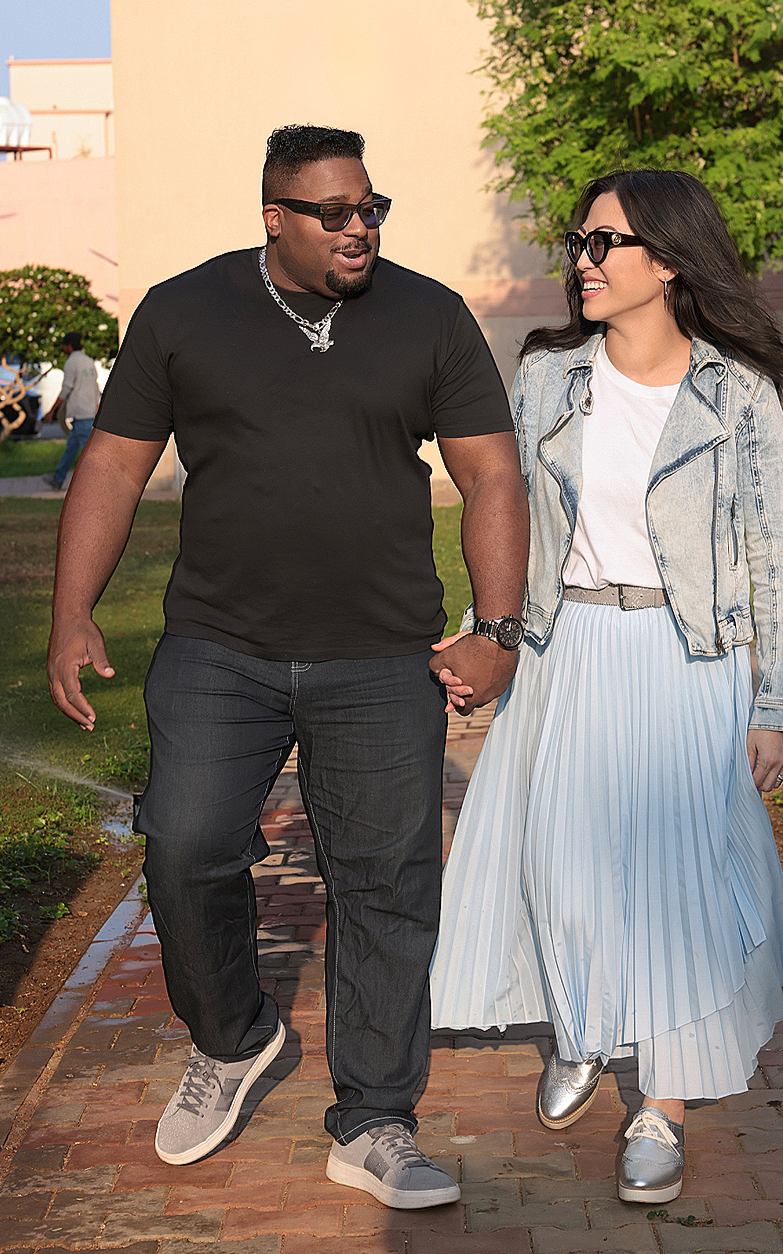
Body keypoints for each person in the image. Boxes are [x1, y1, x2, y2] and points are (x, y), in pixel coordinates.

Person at [46, 124, 528, 1207]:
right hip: (222, 647)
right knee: (184, 846)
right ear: (275, 218)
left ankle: (375, 1120)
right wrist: (73, 612)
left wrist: (496, 630)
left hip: (379, 655)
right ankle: (232, 1037)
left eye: (371, 207)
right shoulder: (182, 310)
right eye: (334, 213)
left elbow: (491, 476)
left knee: (386, 884)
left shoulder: (428, 315)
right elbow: (118, 467)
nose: (359, 227)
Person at [430, 168, 783, 1205]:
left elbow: (776, 554)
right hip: (566, 649)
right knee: (560, 864)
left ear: (670, 261)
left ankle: (663, 1107)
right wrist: (485, 635)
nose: (583, 261)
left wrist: (775, 704)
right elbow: (504, 521)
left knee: (679, 887)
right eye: (580, 241)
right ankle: (586, 1024)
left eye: (605, 244)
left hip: (688, 661)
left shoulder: (734, 393)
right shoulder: (548, 376)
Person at [42, 332, 101, 488]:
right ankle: (58, 479)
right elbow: (95, 387)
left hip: (81, 414)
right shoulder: (89, 361)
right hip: (88, 412)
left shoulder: (71, 362)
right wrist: (97, 407)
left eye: (65, 345)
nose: (64, 348)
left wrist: (51, 411)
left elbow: (66, 389)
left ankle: (98, 484)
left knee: (89, 454)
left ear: (69, 346)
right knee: (71, 450)